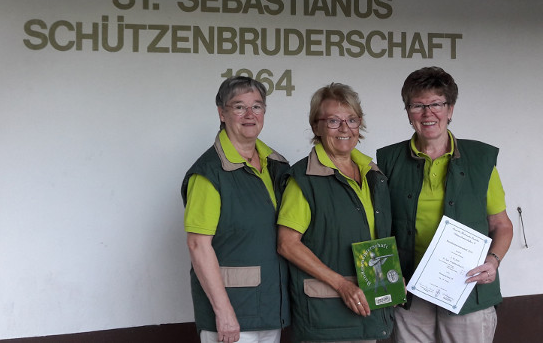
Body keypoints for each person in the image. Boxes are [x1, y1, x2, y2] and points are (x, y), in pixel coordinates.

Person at [376, 66, 513, 343]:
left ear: (450, 109)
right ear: (408, 112)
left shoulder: (480, 159)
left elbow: (501, 224)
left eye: (437, 104)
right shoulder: (388, 160)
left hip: (467, 289)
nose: (428, 113)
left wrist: (493, 261)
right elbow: (378, 226)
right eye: (418, 105)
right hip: (410, 292)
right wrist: (387, 279)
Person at [277, 83, 394, 342]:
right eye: (333, 121)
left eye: (351, 119)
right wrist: (341, 284)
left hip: (368, 307)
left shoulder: (373, 175)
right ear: (316, 127)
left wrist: (391, 282)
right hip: (326, 315)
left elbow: (374, 241)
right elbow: (287, 245)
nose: (344, 128)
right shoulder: (303, 179)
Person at [182, 76, 291, 343]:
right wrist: (224, 312)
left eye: (257, 106)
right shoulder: (209, 173)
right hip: (232, 316)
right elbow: (198, 246)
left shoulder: (277, 165)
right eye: (239, 106)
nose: (249, 114)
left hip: (268, 309)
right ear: (222, 113)